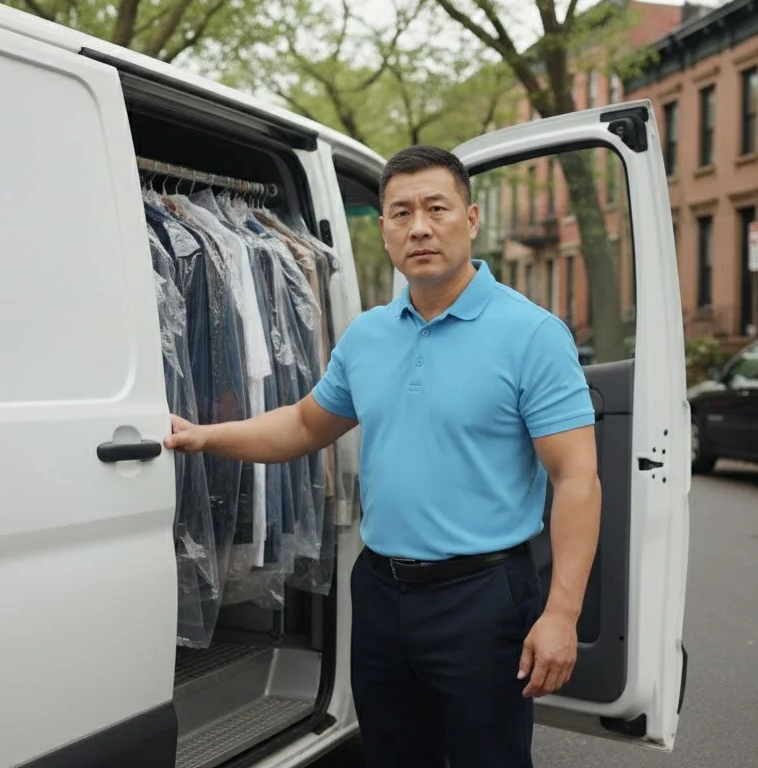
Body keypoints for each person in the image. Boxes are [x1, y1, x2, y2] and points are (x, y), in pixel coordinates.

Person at [164, 145, 602, 768]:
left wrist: (562, 614)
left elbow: (576, 477)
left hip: (482, 598)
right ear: (384, 229)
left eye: (435, 208)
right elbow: (304, 424)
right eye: (400, 213)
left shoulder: (532, 334)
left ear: (471, 219)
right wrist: (206, 435)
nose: (419, 226)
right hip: (380, 593)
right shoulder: (369, 334)